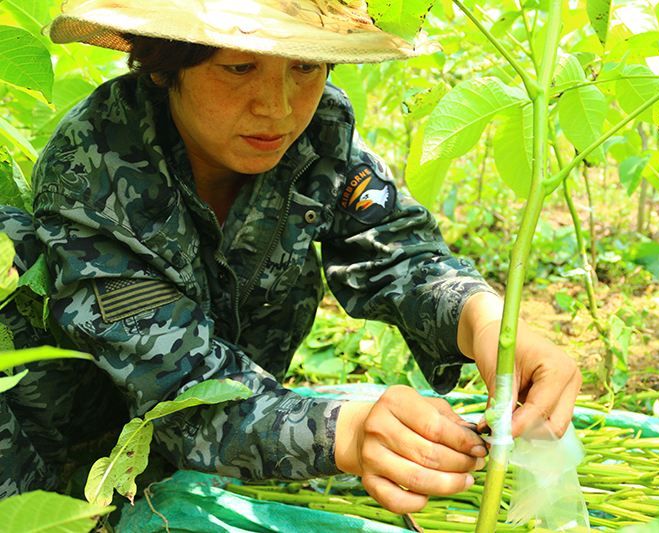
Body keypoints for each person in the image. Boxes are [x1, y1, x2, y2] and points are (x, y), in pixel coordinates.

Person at [0, 0, 581, 514]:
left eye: (304, 66)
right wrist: (342, 433)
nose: (277, 107)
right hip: (70, 463)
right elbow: (176, 391)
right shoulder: (94, 168)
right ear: (164, 63)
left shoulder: (318, 132)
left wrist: (482, 319)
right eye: (239, 67)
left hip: (225, 451)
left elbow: (396, 250)